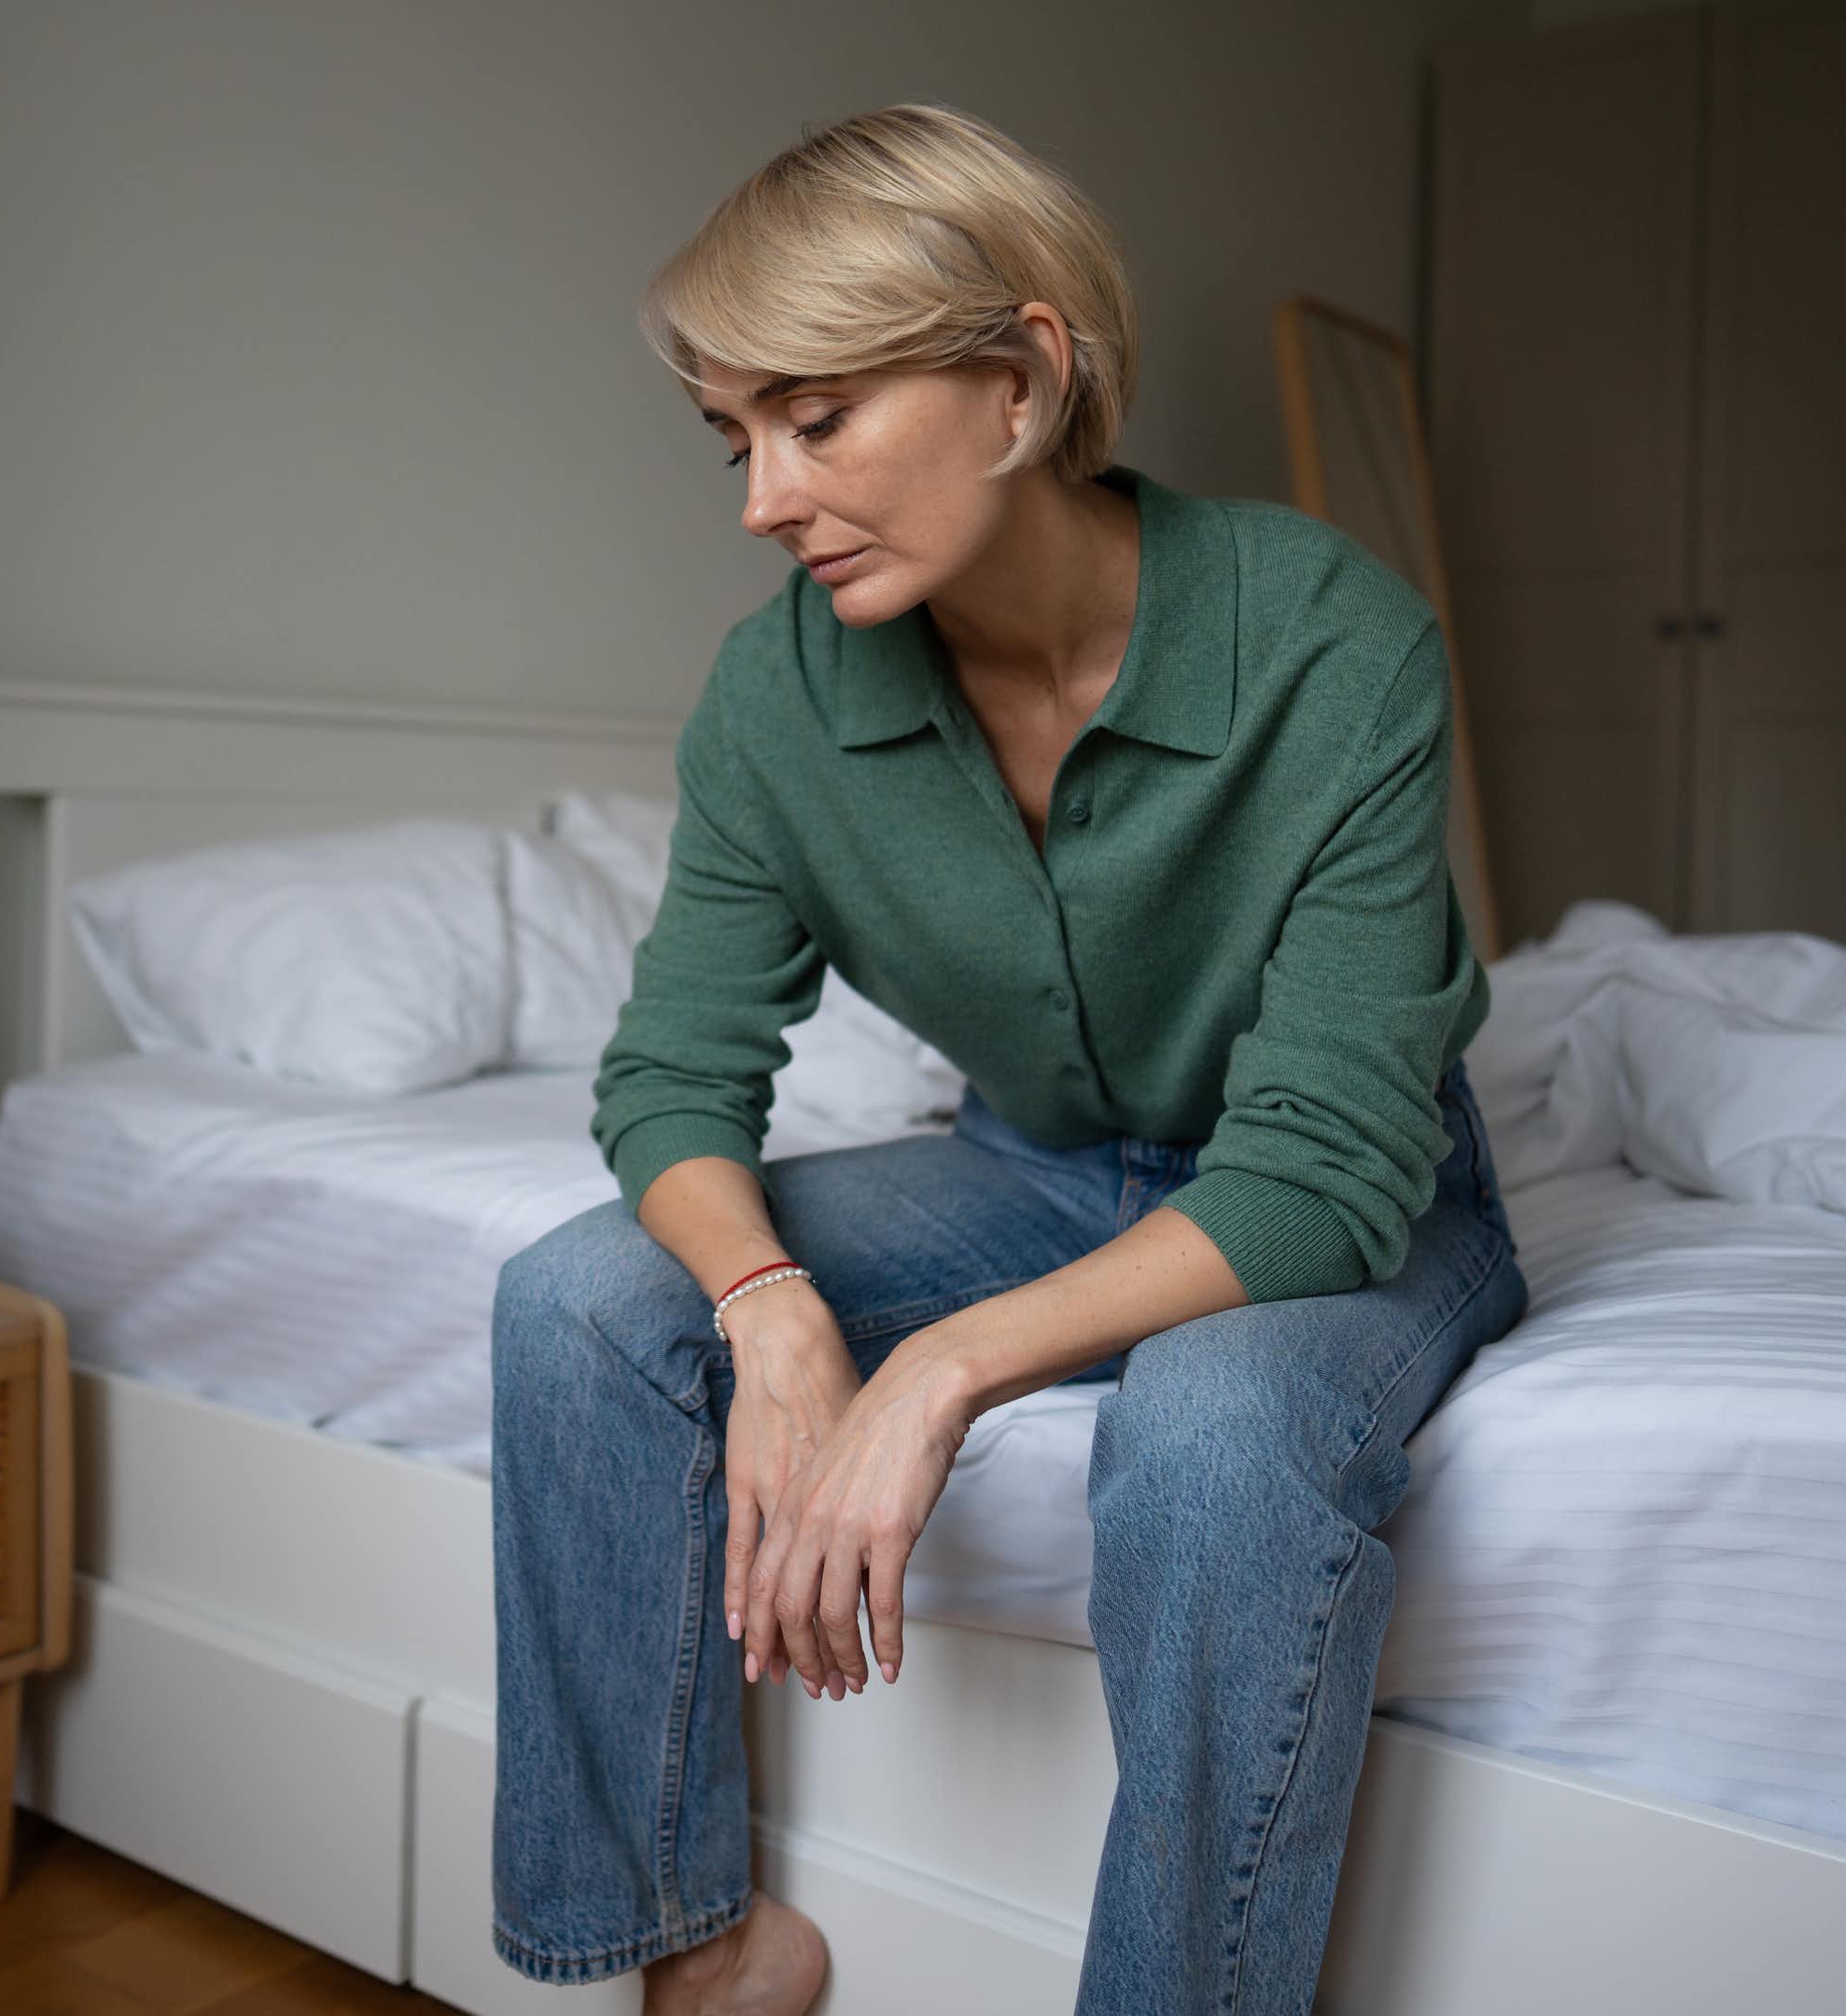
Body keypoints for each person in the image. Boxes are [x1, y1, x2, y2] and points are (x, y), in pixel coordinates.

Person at [490, 104, 1528, 2016]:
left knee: (1211, 1434)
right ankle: (698, 1951)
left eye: (815, 418)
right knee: (577, 1296)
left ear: (1022, 379)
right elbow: (668, 1075)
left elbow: (1314, 1169)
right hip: (1039, 1158)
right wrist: (776, 1305)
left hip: (1344, 1193)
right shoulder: (774, 693)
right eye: (734, 441)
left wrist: (942, 1369)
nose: (759, 500)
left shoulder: (1331, 641)